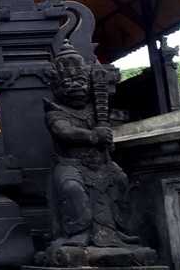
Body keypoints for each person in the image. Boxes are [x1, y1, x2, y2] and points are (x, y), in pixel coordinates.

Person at [44, 42, 136, 252]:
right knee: (72, 188)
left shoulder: (95, 111)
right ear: (56, 87)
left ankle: (111, 228)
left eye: (80, 81)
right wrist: (94, 136)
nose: (76, 87)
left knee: (120, 179)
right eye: (68, 83)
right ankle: (79, 231)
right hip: (71, 164)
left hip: (101, 164)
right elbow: (64, 132)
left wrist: (106, 137)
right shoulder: (55, 112)